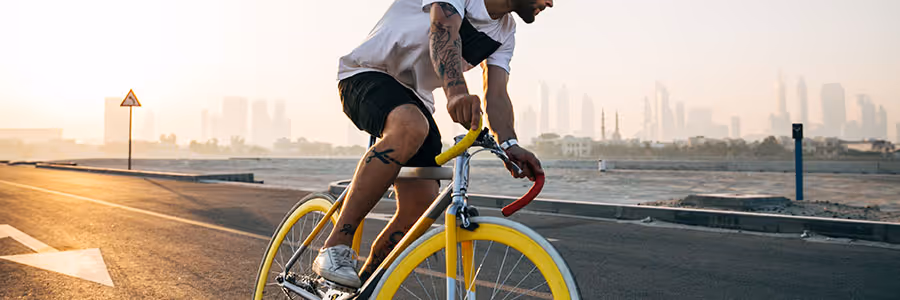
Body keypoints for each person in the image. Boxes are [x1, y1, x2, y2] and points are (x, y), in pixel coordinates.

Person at [313, 0, 554, 288]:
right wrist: (456, 93)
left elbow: (497, 94)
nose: (549, 3)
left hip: (416, 102)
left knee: (422, 205)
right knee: (411, 126)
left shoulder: (505, 32)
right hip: (365, 76)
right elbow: (443, 32)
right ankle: (335, 246)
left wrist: (510, 143)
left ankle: (364, 288)